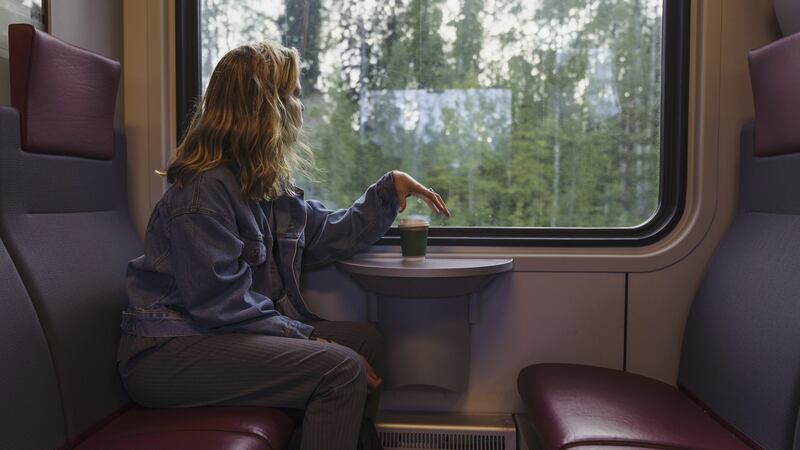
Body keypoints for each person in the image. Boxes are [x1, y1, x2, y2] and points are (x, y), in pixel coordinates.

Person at [116, 41, 449, 450]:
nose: (301, 106)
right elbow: (221, 303)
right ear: (262, 108)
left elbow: (331, 234)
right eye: (291, 94)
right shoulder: (203, 192)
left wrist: (388, 190)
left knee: (366, 342)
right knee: (341, 368)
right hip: (170, 350)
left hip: (218, 334)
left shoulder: (265, 186)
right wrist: (310, 339)